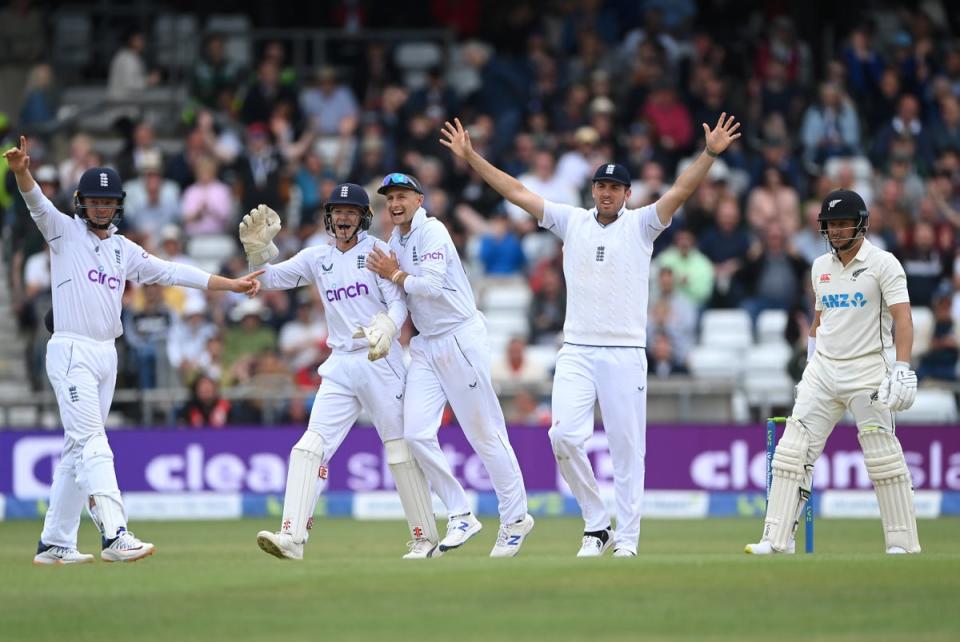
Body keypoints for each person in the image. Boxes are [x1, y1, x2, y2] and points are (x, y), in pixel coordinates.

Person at [440, 114, 741, 557]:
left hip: (624, 351)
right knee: (561, 437)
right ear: (593, 189)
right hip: (577, 349)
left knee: (626, 450)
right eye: (601, 186)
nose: (606, 192)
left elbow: (680, 191)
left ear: (627, 194)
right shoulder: (571, 221)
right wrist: (471, 158)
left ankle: (628, 539)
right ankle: (597, 522)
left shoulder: (641, 224)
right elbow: (517, 192)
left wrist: (710, 153)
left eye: (615, 188)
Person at [4, 136, 263, 565]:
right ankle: (114, 534)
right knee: (93, 442)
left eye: (108, 202)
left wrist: (230, 285)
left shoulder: (124, 250)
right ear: (80, 203)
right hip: (71, 351)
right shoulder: (63, 232)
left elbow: (172, 271)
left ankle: (55, 542)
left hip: (107, 353)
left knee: (76, 448)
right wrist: (21, 172)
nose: (101, 208)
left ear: (118, 205)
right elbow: (36, 203)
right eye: (94, 201)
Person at [240, 183, 442, 560]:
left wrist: (387, 327)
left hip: (379, 358)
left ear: (363, 217)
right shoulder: (318, 257)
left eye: (351, 212)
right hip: (340, 364)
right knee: (309, 447)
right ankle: (292, 538)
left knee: (399, 451)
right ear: (329, 217)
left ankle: (425, 538)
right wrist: (257, 253)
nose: (344, 218)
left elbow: (398, 302)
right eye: (337, 211)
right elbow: (269, 279)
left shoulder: (378, 252)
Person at [364, 172, 534, 558]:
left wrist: (393, 273)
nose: (394, 203)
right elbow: (400, 295)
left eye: (403, 196)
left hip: (459, 337)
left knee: (485, 435)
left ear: (419, 200)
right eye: (390, 198)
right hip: (426, 344)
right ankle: (460, 514)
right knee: (417, 434)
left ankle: (516, 518)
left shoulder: (433, 232)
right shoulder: (395, 239)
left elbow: (432, 287)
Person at [746, 189, 920, 555]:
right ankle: (776, 541)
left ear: (861, 224)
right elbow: (819, 320)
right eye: (831, 225)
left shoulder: (884, 263)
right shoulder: (819, 267)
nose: (837, 231)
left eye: (844, 223)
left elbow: (903, 319)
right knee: (792, 452)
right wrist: (810, 367)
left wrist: (902, 368)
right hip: (824, 370)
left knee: (882, 456)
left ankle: (902, 544)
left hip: (869, 369)